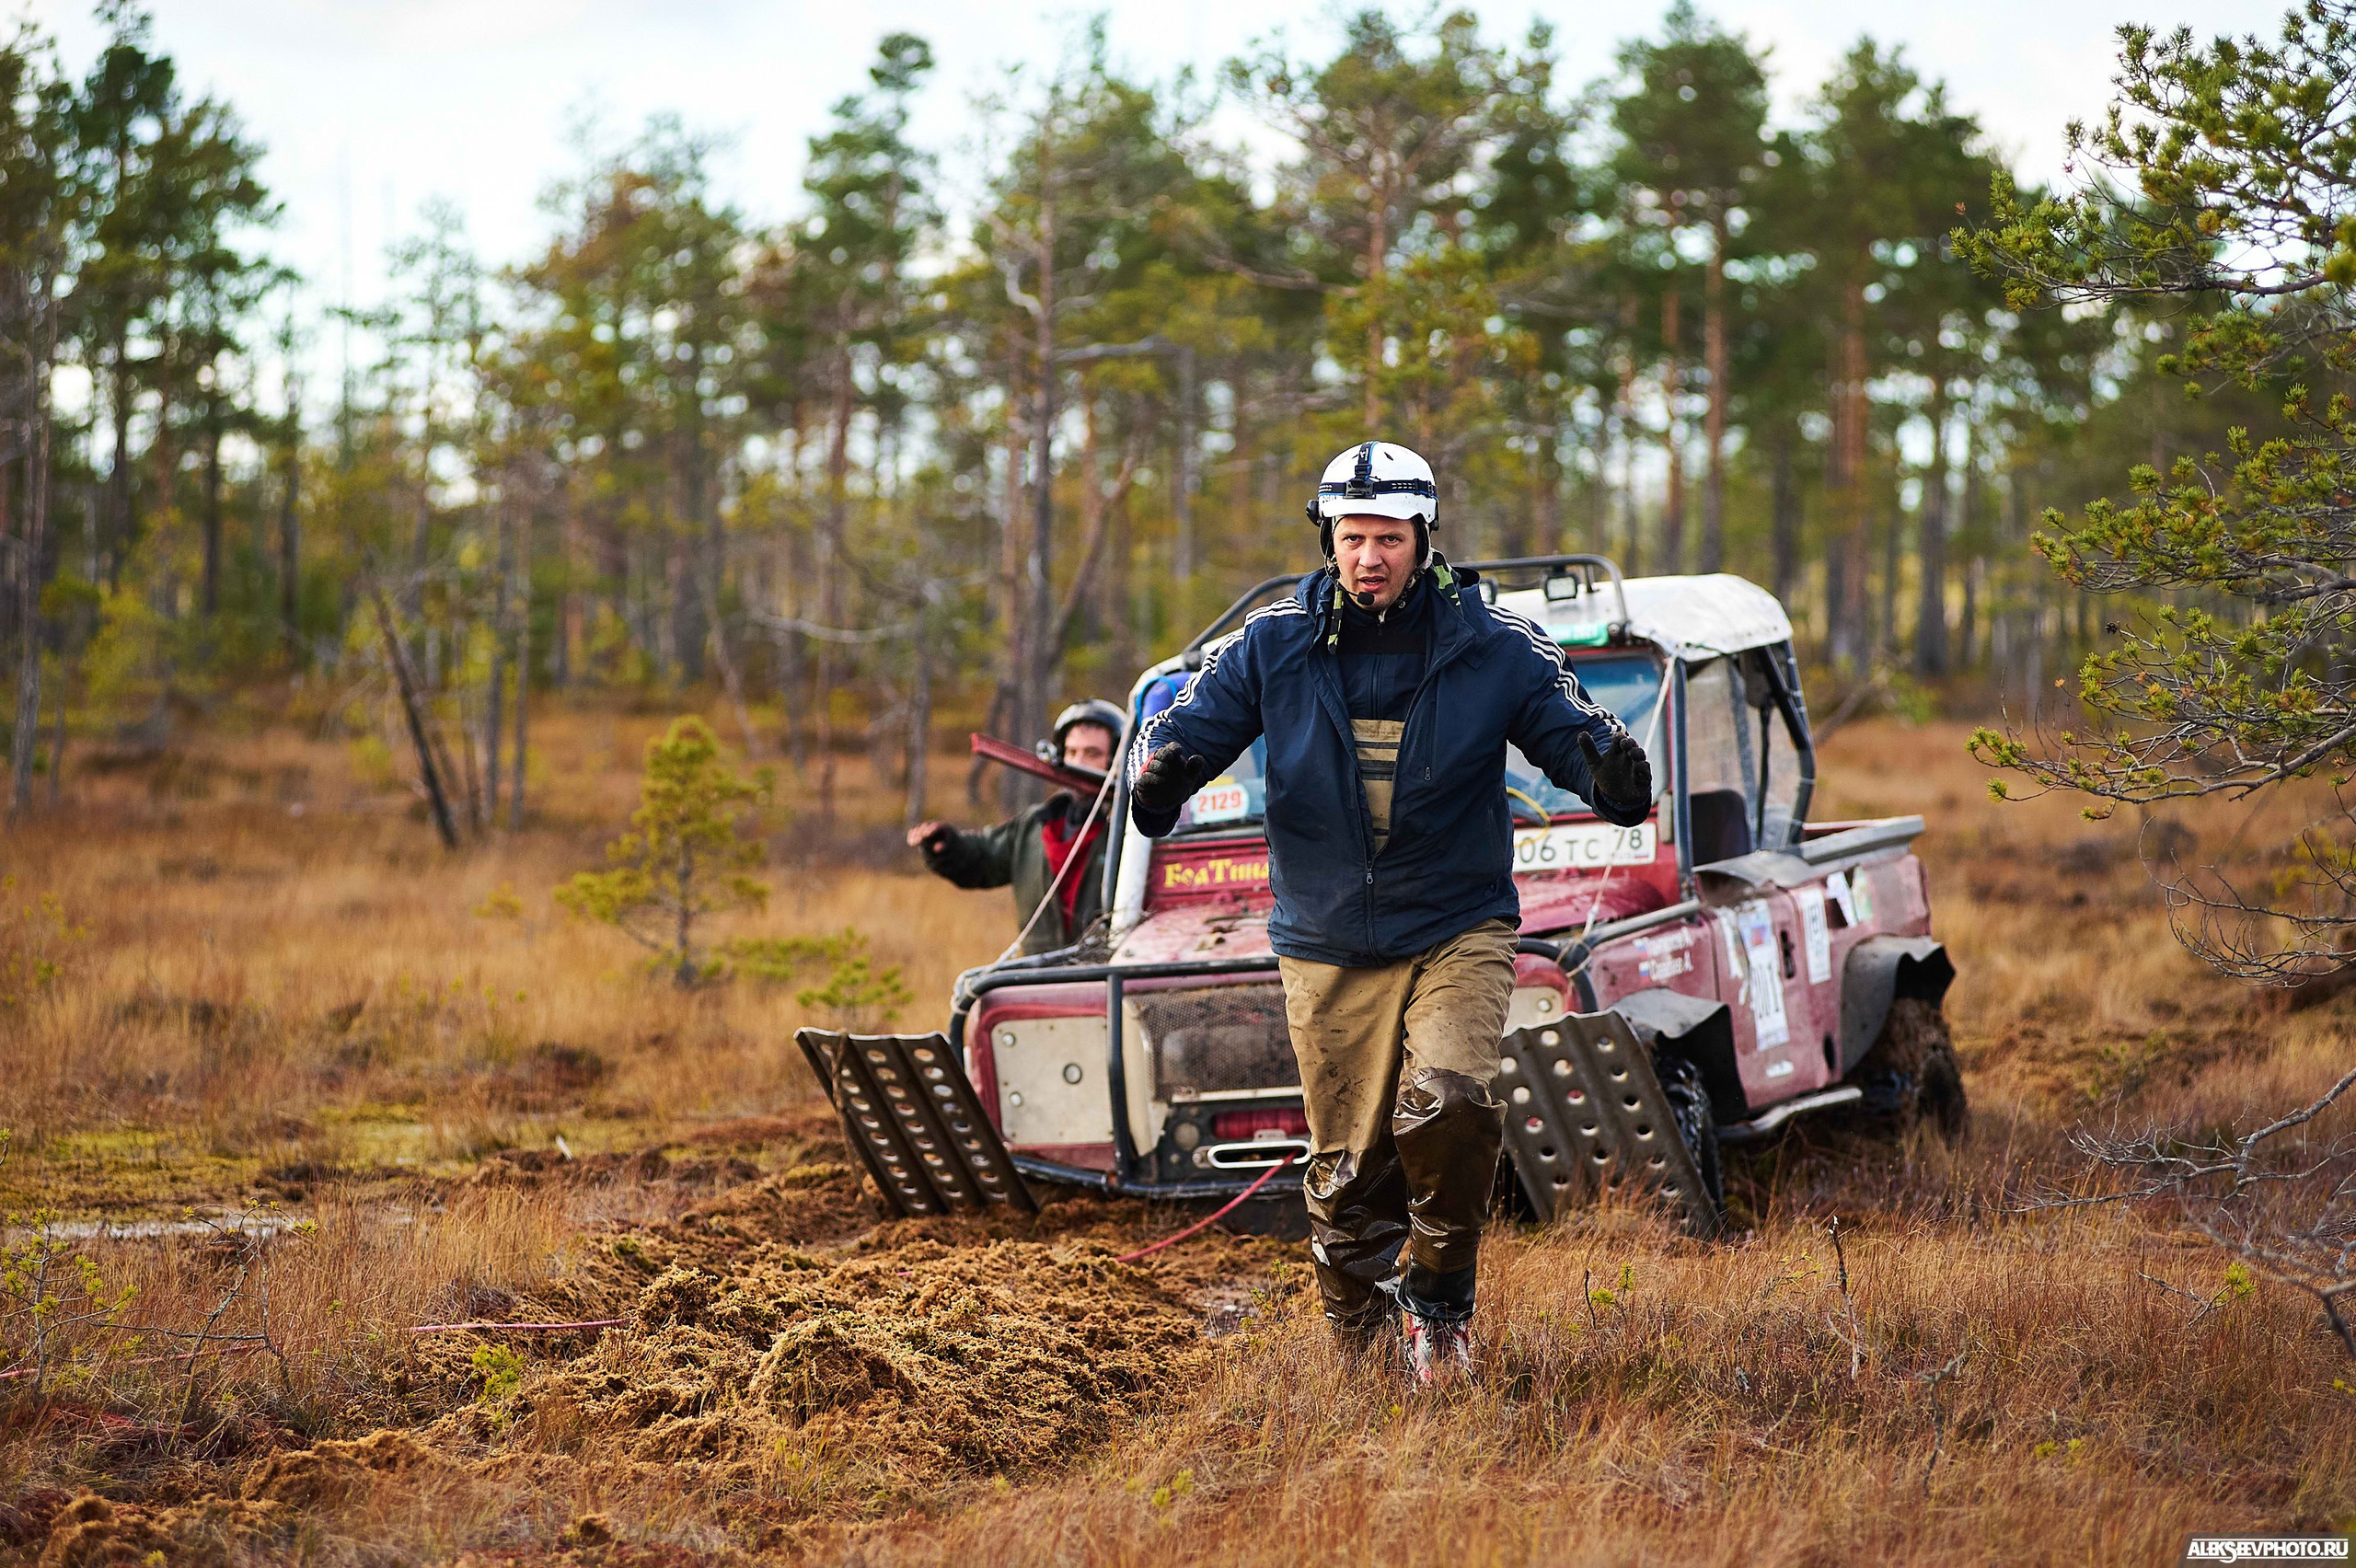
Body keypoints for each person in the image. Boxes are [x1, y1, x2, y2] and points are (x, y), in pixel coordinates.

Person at [1126, 441, 1653, 1383]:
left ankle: (1442, 1306)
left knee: (1448, 1098)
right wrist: (1158, 781)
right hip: (1326, 936)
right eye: (1352, 536)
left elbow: (1572, 738)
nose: (1369, 556)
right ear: (1327, 536)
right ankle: (1359, 1355)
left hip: (1457, 922)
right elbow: (1183, 742)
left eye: (1389, 538)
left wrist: (1610, 772)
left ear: (1424, 536)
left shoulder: (1493, 644)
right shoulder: (1270, 645)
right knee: (1347, 1172)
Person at [908, 699, 1126, 956]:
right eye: (1071, 752)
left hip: (1110, 979)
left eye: (1092, 754)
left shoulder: (1131, 832)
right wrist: (947, 847)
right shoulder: (1035, 825)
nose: (1078, 763)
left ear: (1116, 760)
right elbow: (983, 859)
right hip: (1038, 978)